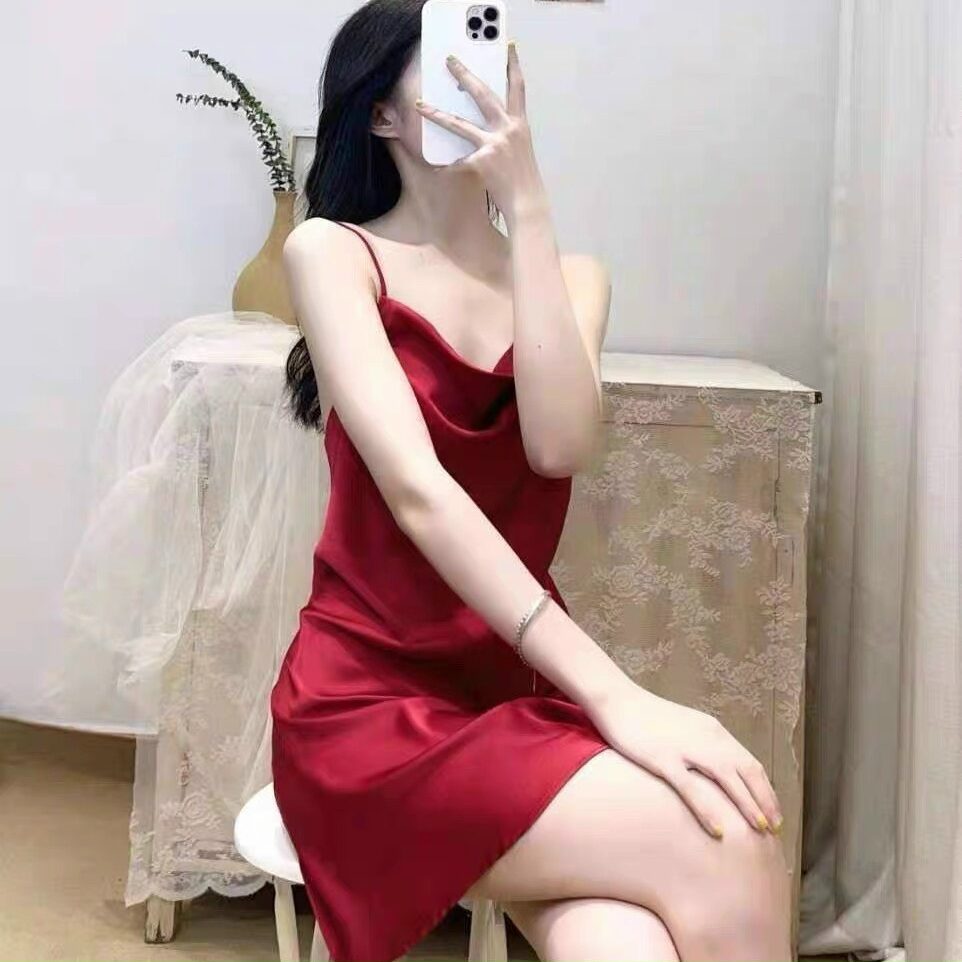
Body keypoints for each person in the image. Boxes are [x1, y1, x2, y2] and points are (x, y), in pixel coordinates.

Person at [270, 1, 793, 959]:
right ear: (381, 116)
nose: (480, 87)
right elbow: (421, 495)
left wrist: (531, 207)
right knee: (731, 832)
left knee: (626, 942)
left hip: (512, 696)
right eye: (447, 68)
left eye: (492, 64)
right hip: (369, 707)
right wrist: (619, 697)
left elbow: (557, 447)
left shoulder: (571, 276)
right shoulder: (336, 254)